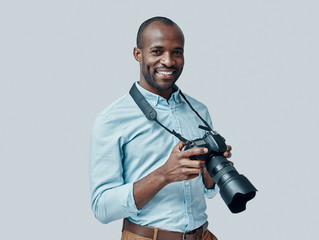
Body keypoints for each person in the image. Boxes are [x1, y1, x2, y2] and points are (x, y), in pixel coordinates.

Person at [90, 16, 232, 240]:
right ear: (138, 54)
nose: (168, 61)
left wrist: (211, 173)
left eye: (177, 52)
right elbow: (102, 208)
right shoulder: (111, 119)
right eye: (157, 51)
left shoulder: (199, 110)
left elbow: (206, 190)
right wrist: (164, 175)